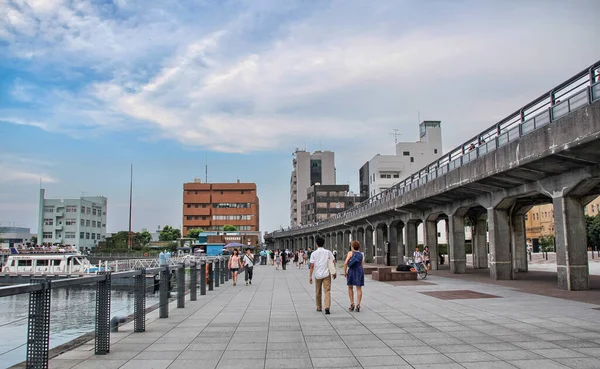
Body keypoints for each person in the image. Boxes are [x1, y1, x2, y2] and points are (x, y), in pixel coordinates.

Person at [309, 236, 336, 314]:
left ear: (316, 244)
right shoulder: (328, 252)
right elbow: (333, 261)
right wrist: (334, 271)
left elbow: (312, 266)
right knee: (327, 291)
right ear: (323, 243)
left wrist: (310, 276)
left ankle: (319, 307)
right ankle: (327, 307)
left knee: (318, 291)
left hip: (317, 274)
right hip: (326, 274)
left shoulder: (314, 253)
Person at [344, 240, 364, 312]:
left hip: (352, 271)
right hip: (359, 271)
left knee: (350, 287)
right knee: (359, 288)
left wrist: (345, 272)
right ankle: (358, 304)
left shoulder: (350, 253)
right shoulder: (361, 254)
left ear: (352, 246)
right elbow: (362, 264)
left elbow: (346, 263)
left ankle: (352, 303)